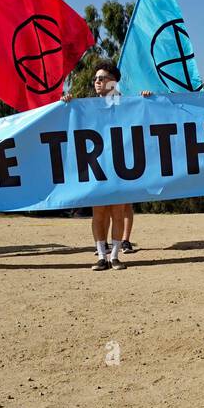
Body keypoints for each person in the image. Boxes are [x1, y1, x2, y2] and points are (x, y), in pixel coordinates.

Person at [62, 62, 150, 270]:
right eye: (95, 79)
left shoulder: (128, 104)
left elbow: (146, 119)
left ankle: (115, 256)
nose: (97, 82)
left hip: (121, 166)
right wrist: (67, 102)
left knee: (118, 211)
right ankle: (101, 255)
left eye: (101, 78)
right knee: (99, 212)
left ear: (113, 81)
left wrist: (148, 100)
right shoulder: (86, 106)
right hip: (97, 166)